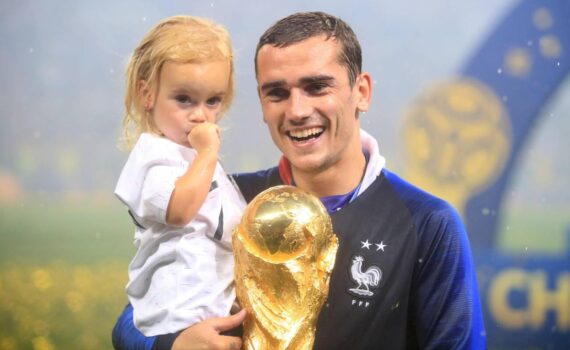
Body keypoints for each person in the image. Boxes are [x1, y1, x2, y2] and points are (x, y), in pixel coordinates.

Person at [113, 11, 486, 350]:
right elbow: (132, 321)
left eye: (317, 87)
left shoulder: (427, 222)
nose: (297, 110)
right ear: (261, 104)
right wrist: (170, 345)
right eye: (277, 93)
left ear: (362, 93)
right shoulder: (229, 199)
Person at [113, 14, 246, 342]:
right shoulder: (154, 157)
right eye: (184, 99)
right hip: (176, 316)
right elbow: (179, 210)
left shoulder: (198, 160)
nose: (199, 114)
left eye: (212, 101)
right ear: (147, 94)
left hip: (209, 310)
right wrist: (207, 154)